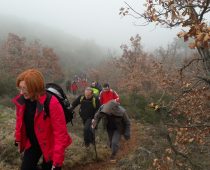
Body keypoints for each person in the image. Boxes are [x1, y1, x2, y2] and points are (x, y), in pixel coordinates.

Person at [12, 69, 72, 170]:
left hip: (50, 145)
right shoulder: (22, 100)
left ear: (35, 88)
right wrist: (18, 137)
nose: (21, 92)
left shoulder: (52, 103)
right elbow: (20, 121)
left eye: (24, 88)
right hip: (33, 143)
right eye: (20, 88)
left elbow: (60, 134)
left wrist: (57, 162)